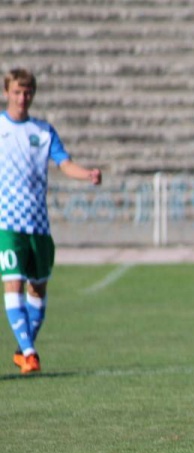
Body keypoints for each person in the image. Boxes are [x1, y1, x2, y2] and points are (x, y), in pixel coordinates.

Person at [1, 68, 102, 374]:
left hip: (39, 224)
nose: (23, 97)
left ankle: (23, 348)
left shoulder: (43, 132)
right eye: (17, 91)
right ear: (7, 93)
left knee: (38, 290)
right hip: (6, 222)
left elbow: (64, 163)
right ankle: (30, 352)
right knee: (13, 282)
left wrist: (87, 174)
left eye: (28, 92)